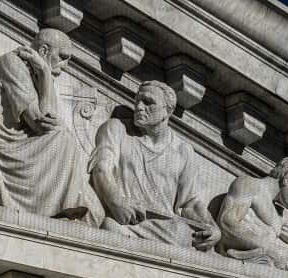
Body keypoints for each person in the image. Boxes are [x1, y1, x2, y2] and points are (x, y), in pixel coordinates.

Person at [0, 29, 101, 225]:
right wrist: (46, 74)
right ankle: (57, 211)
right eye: (63, 57)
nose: (65, 65)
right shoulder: (12, 63)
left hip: (29, 147)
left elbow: (51, 119)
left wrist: (44, 74)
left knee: (96, 213)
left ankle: (59, 208)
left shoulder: (37, 72)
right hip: (7, 145)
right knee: (64, 139)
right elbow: (40, 122)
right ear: (44, 50)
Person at [89, 81, 218, 247]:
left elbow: (190, 204)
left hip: (165, 228)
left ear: (167, 110)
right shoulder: (117, 128)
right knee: (111, 227)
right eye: (137, 102)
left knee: (182, 233)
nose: (139, 107)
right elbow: (101, 168)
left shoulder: (183, 151)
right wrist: (115, 200)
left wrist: (212, 228)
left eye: (148, 102)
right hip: (125, 220)